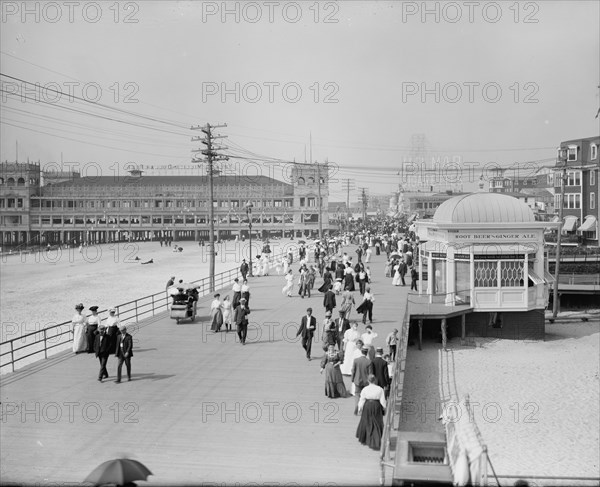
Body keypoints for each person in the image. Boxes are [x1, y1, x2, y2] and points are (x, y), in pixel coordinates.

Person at [356, 374, 386, 449]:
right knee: (376, 422)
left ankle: (367, 439)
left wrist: (360, 408)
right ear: (375, 380)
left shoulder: (365, 389)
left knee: (367, 421)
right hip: (376, 406)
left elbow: (362, 399)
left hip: (367, 406)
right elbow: (382, 401)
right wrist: (384, 408)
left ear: (368, 380)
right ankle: (376, 439)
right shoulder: (380, 389)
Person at [351, 346, 373, 415]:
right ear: (367, 353)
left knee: (357, 394)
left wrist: (352, 379)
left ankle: (356, 407)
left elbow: (353, 371)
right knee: (365, 396)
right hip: (366, 382)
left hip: (357, 380)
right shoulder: (369, 362)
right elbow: (370, 374)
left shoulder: (356, 360)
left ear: (361, 352)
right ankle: (363, 409)